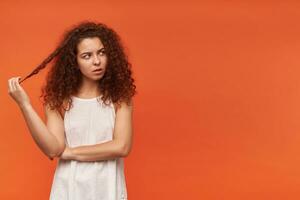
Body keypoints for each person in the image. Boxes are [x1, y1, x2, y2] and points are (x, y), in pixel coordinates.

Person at [7, 21, 136, 200]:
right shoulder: (59, 100)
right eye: (86, 56)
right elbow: (53, 149)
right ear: (74, 61)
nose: (97, 61)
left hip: (107, 189)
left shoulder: (119, 97)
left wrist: (71, 152)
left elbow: (122, 146)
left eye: (102, 52)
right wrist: (25, 105)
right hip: (68, 188)